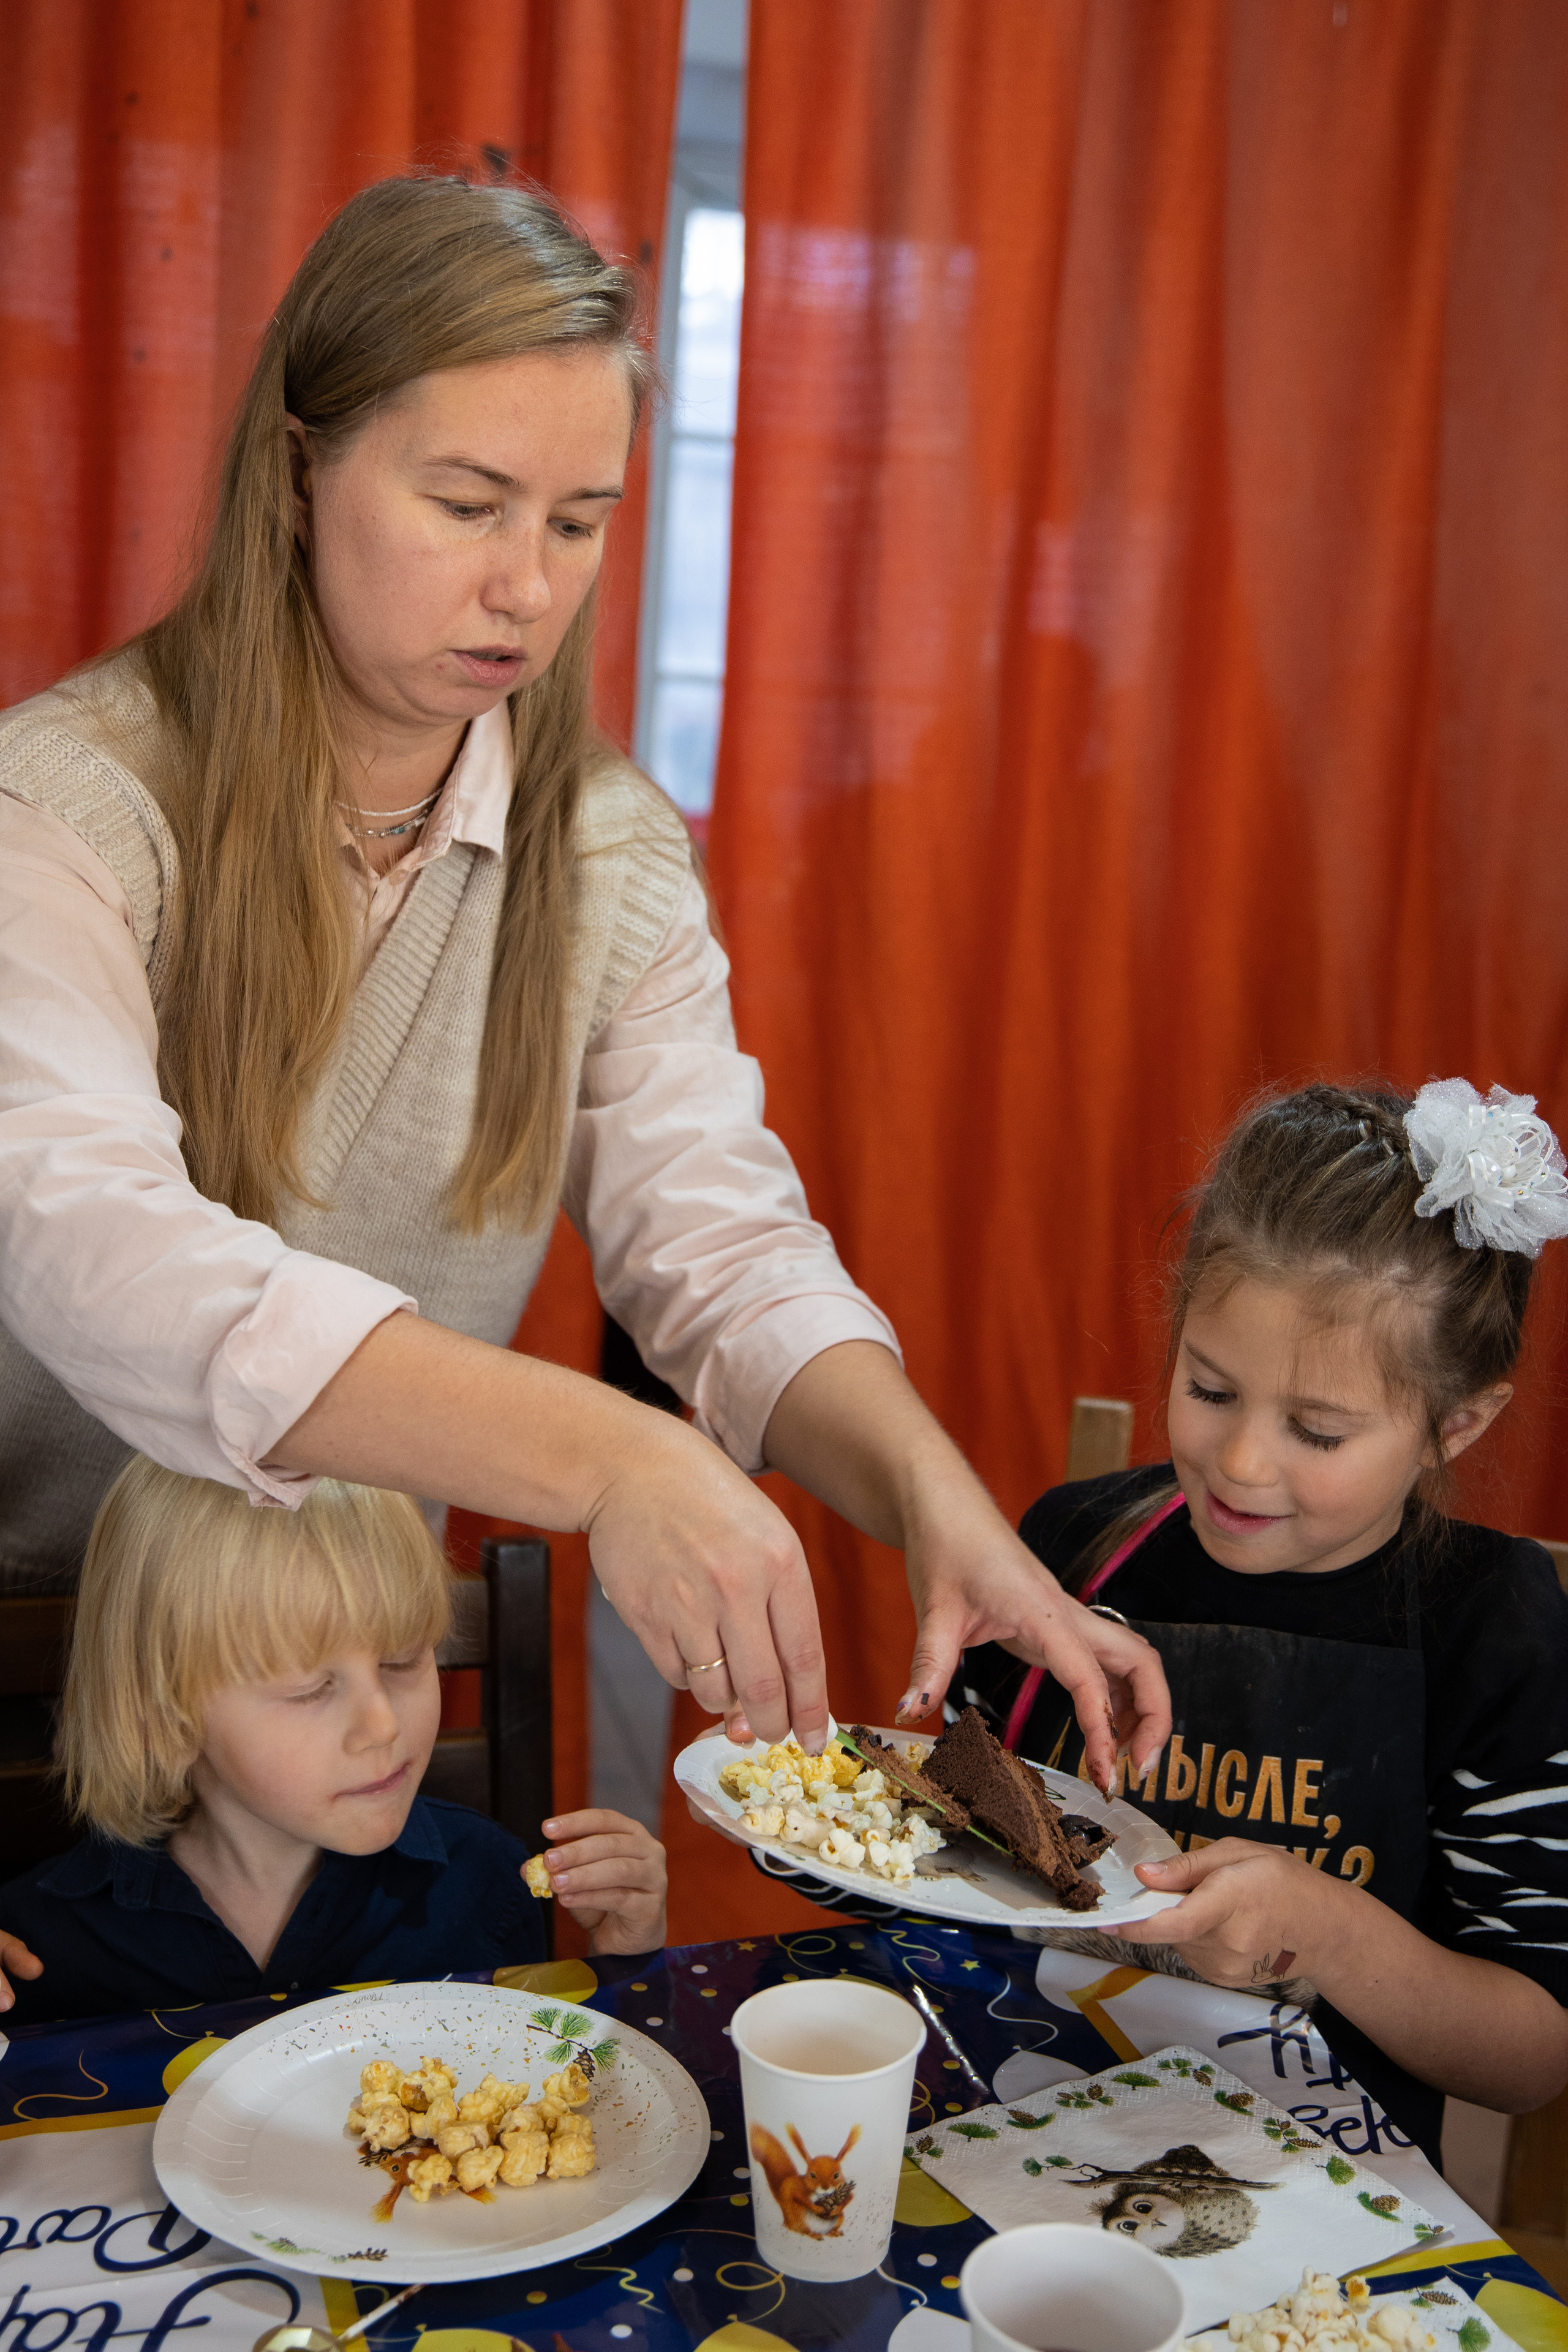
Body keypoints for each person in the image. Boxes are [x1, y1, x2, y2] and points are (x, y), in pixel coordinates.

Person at [0, 172, 1164, 1787]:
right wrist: (614, 1454)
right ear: (295, 472)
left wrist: (931, 1500)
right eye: (468, 505)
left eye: (577, 521)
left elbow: (722, 1246)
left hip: (338, 1695)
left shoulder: (610, 855)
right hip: (39, 1660)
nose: (529, 587)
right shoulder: (67, 809)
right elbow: (91, 1243)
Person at [959, 1078, 1568, 2166]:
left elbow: (1532, 2057)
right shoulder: (1073, 1544)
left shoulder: (1495, 1626)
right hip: (1003, 2116)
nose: (1241, 1463)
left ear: (1457, 1425)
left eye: (1319, 1433)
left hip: (1313, 2196)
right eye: (1210, 1388)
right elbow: (926, 1844)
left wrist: (1331, 1931)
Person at [0, 1456, 665, 2022]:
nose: (383, 1725)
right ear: (164, 1718)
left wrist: (621, 1965)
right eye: (311, 1690)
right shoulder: (38, 1942)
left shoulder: (486, 1883)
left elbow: (550, 2103)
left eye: (404, 1660)